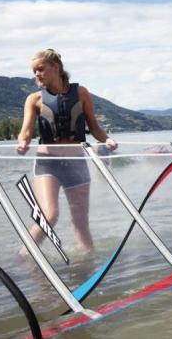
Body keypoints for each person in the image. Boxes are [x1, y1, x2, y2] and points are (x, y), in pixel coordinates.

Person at [17, 49, 117, 254]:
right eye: (34, 71)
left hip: (76, 163)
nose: (36, 74)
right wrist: (22, 144)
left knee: (81, 222)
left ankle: (87, 265)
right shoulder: (34, 99)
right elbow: (25, 132)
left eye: (40, 69)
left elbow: (95, 128)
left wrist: (107, 140)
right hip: (48, 163)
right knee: (50, 215)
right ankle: (25, 256)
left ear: (56, 67)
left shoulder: (81, 93)